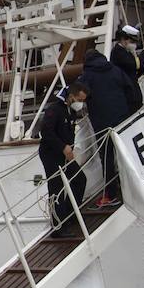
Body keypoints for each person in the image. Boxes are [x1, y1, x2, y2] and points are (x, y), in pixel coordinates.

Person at [80, 48, 138, 206]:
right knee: (126, 153)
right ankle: (135, 184)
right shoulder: (115, 70)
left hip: (102, 123)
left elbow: (80, 97)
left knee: (107, 157)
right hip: (122, 119)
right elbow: (130, 89)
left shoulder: (87, 76)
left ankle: (111, 194)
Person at [38, 82, 91, 237]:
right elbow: (46, 132)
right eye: (79, 99)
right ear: (71, 96)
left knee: (79, 179)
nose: (80, 103)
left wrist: (70, 147)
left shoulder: (70, 111)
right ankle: (58, 227)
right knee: (56, 188)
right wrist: (63, 147)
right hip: (51, 153)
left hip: (65, 153)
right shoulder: (54, 110)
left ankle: (70, 213)